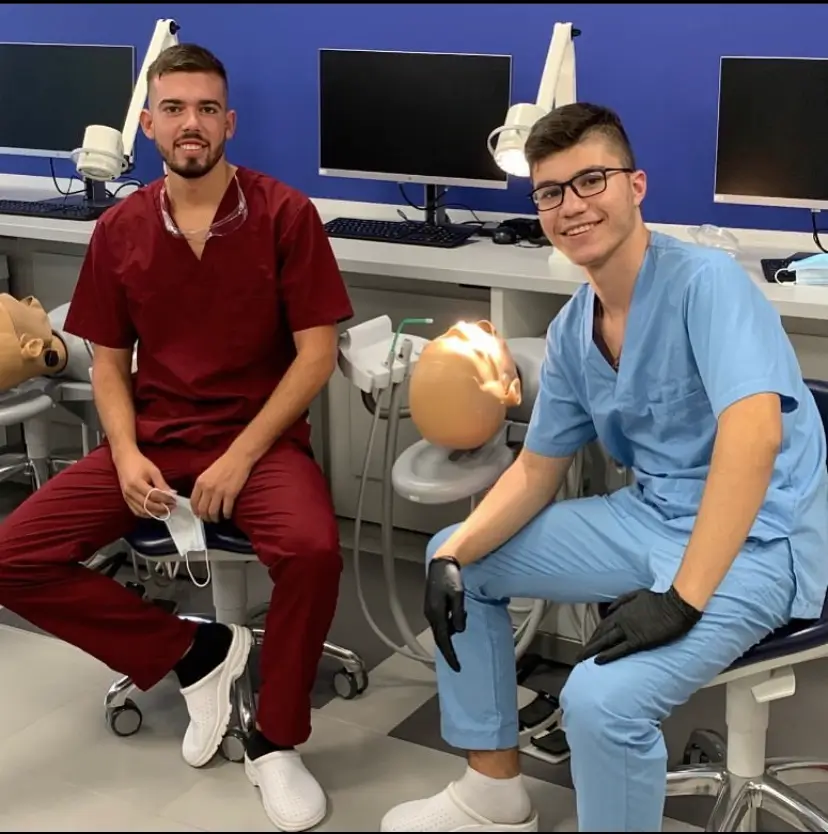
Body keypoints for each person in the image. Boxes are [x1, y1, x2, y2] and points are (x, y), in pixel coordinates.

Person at [380, 102, 828, 832]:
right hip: (653, 516)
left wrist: (681, 599)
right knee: (455, 557)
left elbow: (754, 441)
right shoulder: (572, 331)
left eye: (592, 180)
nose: (572, 205)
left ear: (636, 186)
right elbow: (536, 470)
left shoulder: (705, 284)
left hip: (760, 539)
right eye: (550, 192)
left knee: (598, 701)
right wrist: (456, 552)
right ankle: (492, 791)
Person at [0, 43, 352, 832]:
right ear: (150, 126)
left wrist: (240, 456)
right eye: (173, 109)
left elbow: (316, 354)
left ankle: (276, 740)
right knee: (10, 558)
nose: (191, 123)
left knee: (312, 552)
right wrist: (124, 454)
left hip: (258, 443)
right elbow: (109, 364)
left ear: (229, 123)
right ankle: (193, 654)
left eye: (206, 109)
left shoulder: (284, 215)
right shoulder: (121, 228)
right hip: (155, 439)